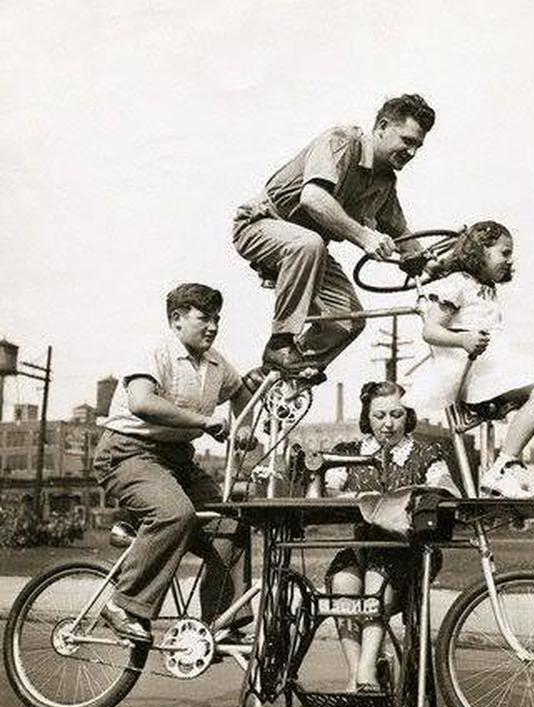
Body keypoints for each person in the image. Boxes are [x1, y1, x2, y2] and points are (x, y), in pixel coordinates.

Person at [232, 94, 436, 385]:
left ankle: (277, 380)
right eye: (407, 140)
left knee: (348, 320)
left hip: (307, 249)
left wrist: (437, 262)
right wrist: (364, 236)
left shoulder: (385, 180)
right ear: (382, 126)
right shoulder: (341, 141)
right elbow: (313, 198)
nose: (412, 152)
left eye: (418, 146)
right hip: (261, 225)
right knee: (308, 243)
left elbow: (403, 234)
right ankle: (280, 343)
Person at [410, 220, 534, 520]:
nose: (509, 260)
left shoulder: (486, 288)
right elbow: (430, 330)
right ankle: (503, 467)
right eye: (504, 252)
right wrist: (463, 339)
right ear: (481, 250)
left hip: (490, 369)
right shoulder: (458, 283)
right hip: (469, 372)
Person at [93, 283, 254, 643]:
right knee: (174, 514)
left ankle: (220, 623)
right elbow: (141, 402)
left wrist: (243, 427)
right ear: (177, 319)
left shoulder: (216, 363)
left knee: (230, 524)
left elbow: (241, 392)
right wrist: (203, 421)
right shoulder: (155, 350)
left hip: (177, 458)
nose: (212, 326)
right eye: (204, 318)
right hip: (128, 452)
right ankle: (123, 605)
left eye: (217, 319)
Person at [325, 380, 459, 693]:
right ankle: (355, 675)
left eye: (396, 415)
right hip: (362, 547)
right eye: (380, 415)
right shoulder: (349, 454)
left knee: (376, 579)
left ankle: (367, 672)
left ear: (407, 416)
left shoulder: (426, 454)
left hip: (409, 551)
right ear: (367, 418)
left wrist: (423, 493)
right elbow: (329, 492)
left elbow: (447, 489)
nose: (388, 424)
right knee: (342, 582)